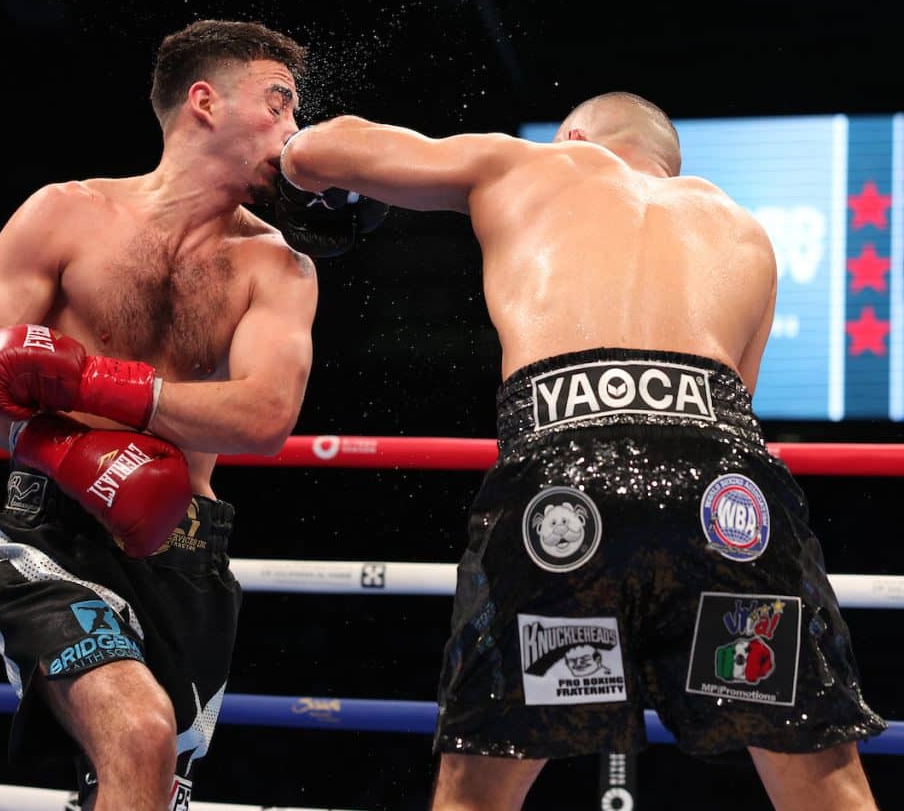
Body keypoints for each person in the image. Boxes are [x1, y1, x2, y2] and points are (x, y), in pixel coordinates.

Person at [278, 92, 887, 810]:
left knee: (478, 788)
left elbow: (322, 150)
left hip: (562, 497)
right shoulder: (744, 230)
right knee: (819, 776)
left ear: (576, 134)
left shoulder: (529, 161)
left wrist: (306, 166)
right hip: (728, 507)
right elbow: (738, 408)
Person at [0, 19, 320, 810]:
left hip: (186, 554)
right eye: (278, 105)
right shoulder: (64, 214)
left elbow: (266, 415)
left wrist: (108, 387)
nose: (295, 131)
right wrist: (66, 451)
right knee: (138, 730)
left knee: (144, 785)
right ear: (204, 102)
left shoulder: (279, 266)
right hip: (53, 533)